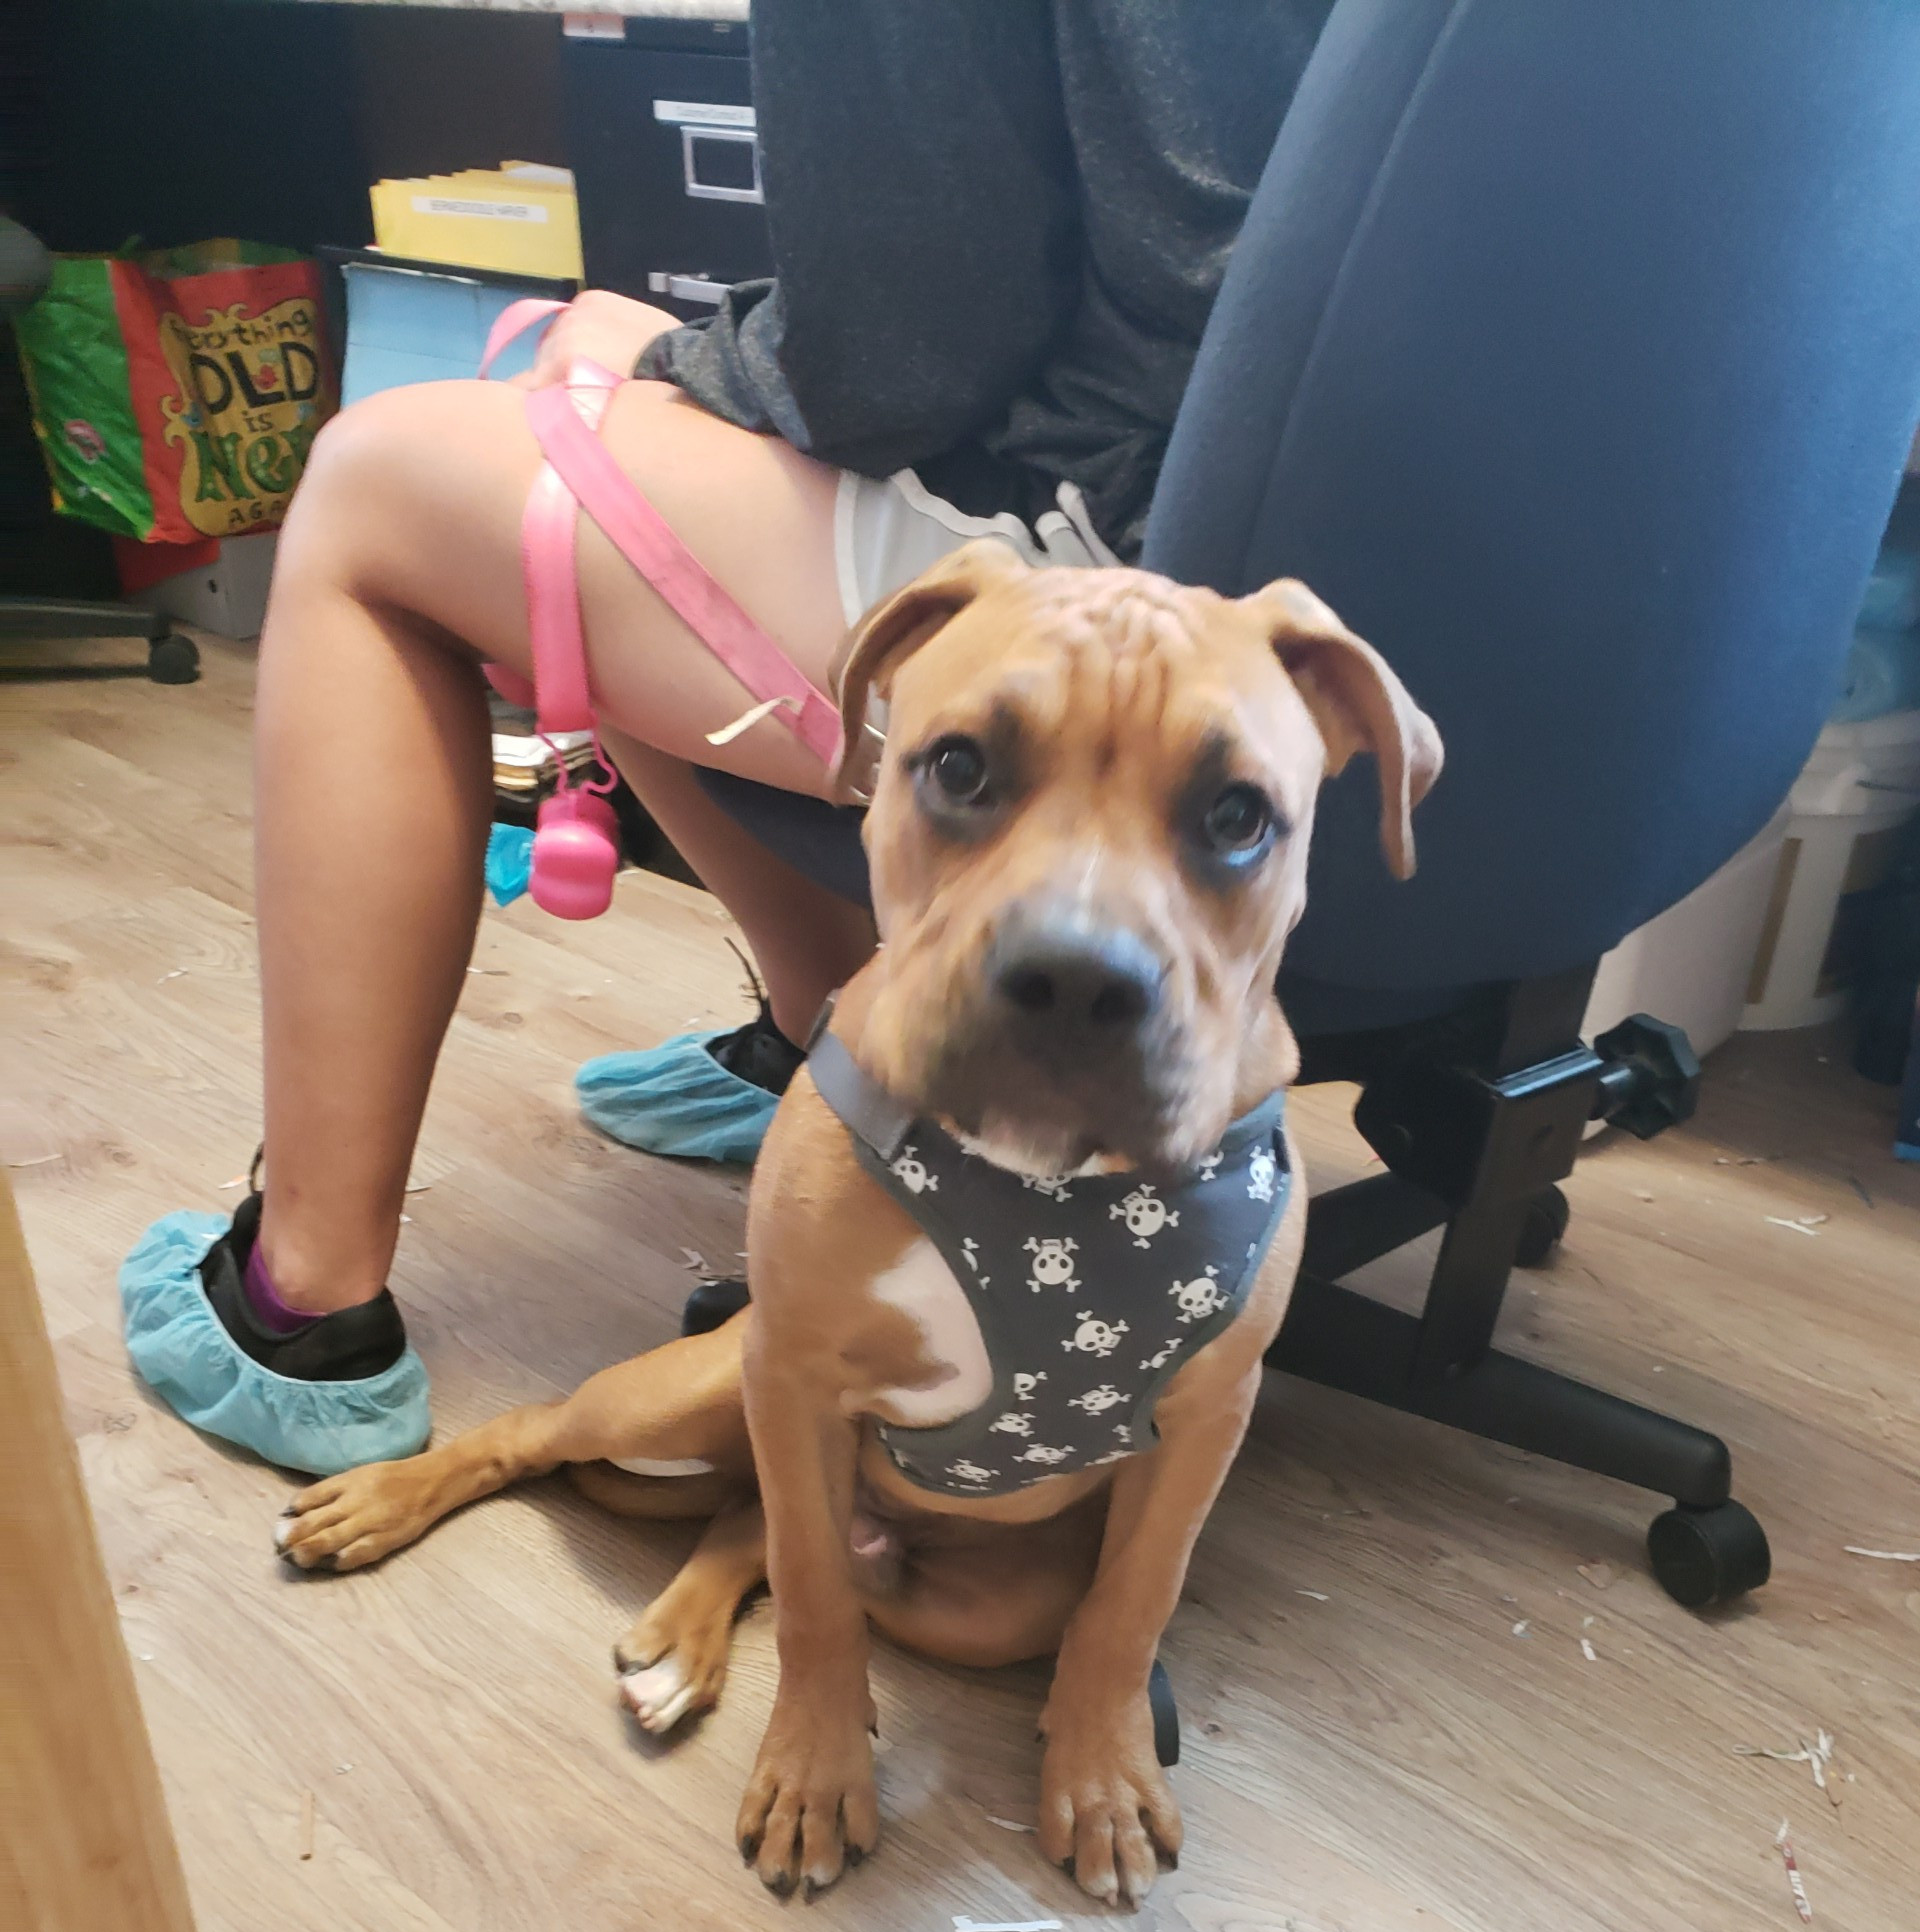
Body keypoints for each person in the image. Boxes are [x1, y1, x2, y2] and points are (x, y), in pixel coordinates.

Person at [121, 0, 1337, 1474]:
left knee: (384, 483)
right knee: (609, 483)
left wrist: (676, 353)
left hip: (1125, 523)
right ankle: (824, 1036)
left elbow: (900, 353)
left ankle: (304, 1292)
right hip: (1426, 589)